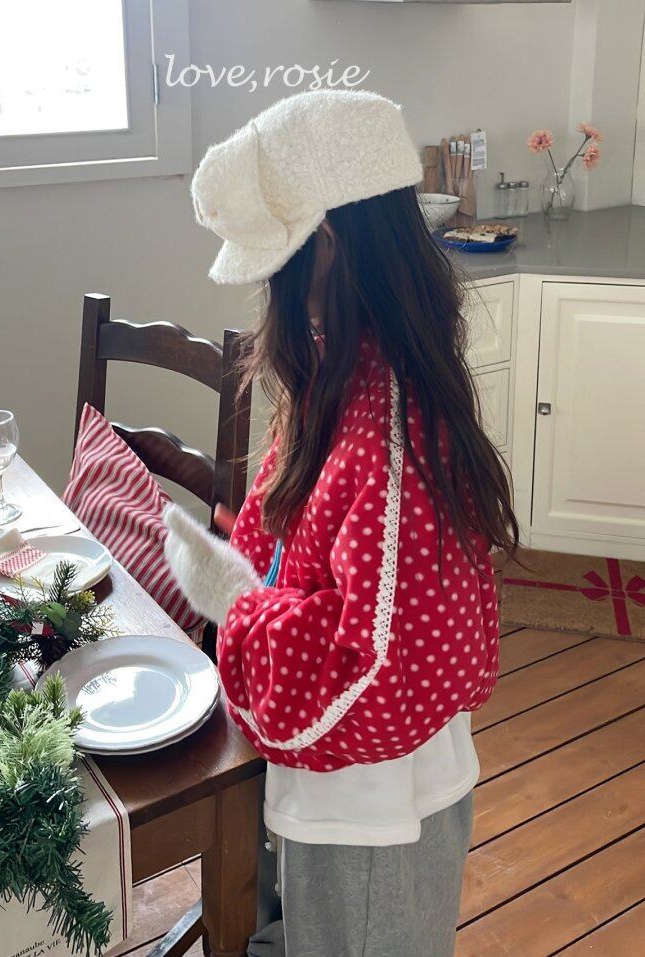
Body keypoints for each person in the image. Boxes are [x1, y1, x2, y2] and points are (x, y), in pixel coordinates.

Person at [163, 89, 518, 957]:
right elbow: (296, 529)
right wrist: (246, 564)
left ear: (326, 242)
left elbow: (375, 667)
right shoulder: (344, 371)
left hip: (373, 814)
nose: (270, 293)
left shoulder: (391, 436)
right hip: (339, 789)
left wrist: (238, 610)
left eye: (274, 266)